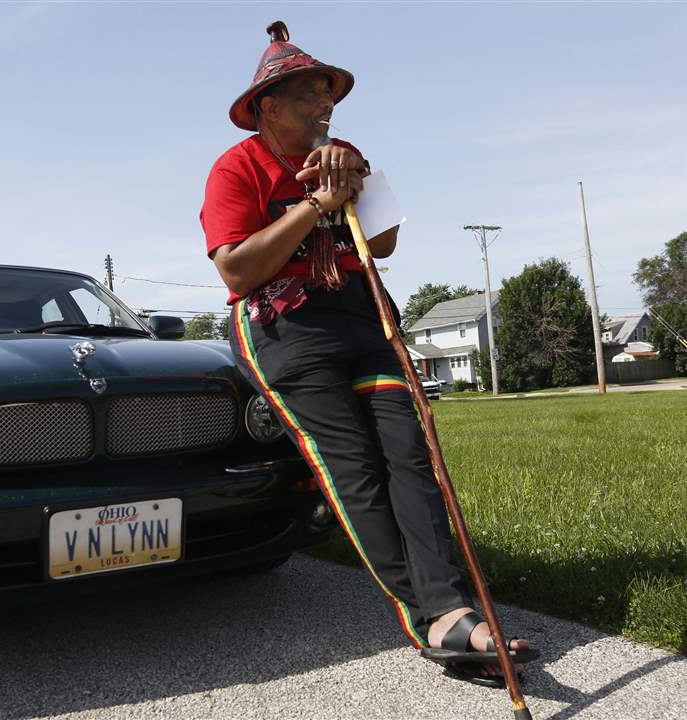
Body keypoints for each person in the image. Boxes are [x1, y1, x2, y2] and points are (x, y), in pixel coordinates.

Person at [200, 21, 538, 687]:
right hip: (284, 329)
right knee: (352, 469)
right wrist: (311, 205)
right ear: (268, 107)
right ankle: (434, 618)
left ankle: (450, 606)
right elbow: (237, 273)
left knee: (410, 457)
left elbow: (378, 246)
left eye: (327, 94)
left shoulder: (345, 151)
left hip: (360, 318)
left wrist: (355, 181)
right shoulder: (235, 167)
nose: (323, 106)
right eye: (306, 96)